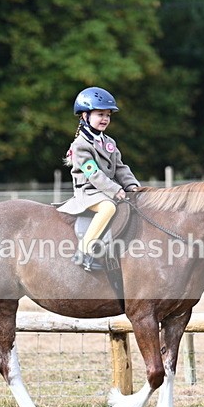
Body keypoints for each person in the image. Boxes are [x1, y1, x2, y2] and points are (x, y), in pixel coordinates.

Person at [57, 87, 140, 271]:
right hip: (89, 193)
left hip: (106, 190)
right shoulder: (80, 145)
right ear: (85, 116)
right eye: (100, 114)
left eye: (108, 115)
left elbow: (120, 167)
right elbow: (94, 174)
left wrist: (132, 186)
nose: (105, 119)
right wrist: (115, 189)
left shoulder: (109, 142)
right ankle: (84, 251)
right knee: (108, 207)